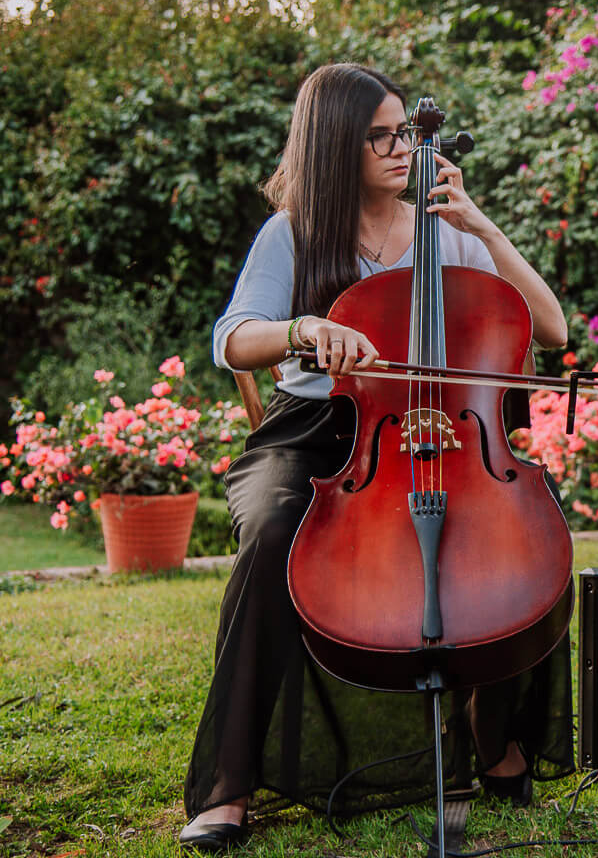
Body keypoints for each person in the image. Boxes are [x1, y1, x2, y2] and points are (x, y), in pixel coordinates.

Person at [179, 63, 574, 851]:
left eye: (406, 133)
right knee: (269, 533)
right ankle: (227, 784)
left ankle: (492, 737)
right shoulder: (294, 231)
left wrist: (482, 223)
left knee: (515, 530)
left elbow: (553, 331)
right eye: (382, 137)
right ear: (335, 145)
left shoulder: (449, 229)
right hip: (315, 430)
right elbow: (234, 336)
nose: (403, 150)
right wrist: (303, 329)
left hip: (444, 435)